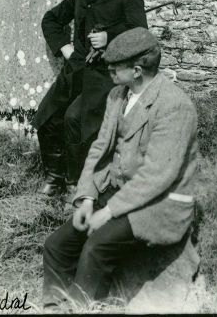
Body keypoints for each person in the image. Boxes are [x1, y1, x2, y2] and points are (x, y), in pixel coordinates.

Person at [41, 27, 199, 308]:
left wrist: (108, 213)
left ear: (137, 70)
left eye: (115, 67)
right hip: (117, 192)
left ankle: (83, 308)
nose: (108, 70)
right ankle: (54, 306)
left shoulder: (175, 106)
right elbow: (99, 150)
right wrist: (87, 199)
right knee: (57, 246)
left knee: (95, 248)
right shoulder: (117, 96)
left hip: (160, 203)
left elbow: (156, 177)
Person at [36, 0, 147, 196]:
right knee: (47, 116)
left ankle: (76, 184)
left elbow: (140, 33)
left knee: (75, 118)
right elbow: (50, 20)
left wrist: (110, 37)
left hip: (106, 78)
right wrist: (67, 51)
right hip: (76, 71)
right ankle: (55, 176)